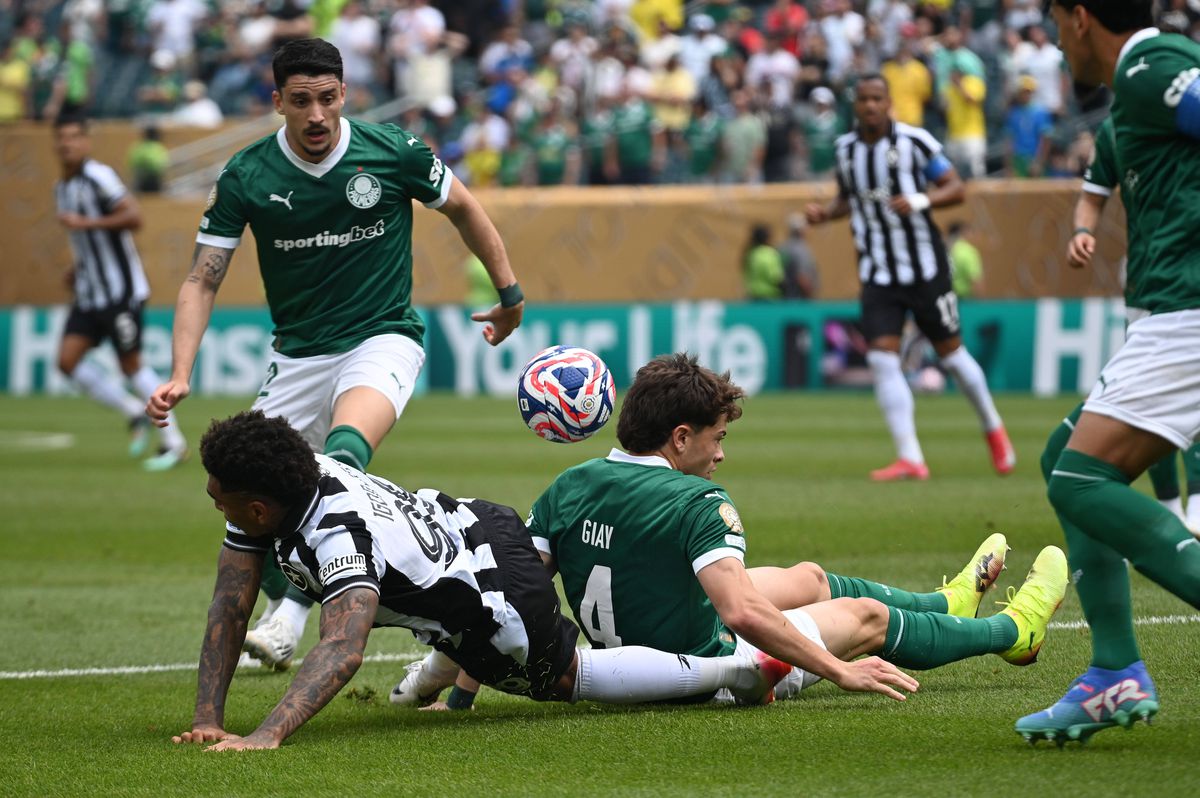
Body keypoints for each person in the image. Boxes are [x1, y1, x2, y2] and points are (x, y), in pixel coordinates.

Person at [147, 38, 525, 673]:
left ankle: (291, 618)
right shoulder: (246, 175)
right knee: (242, 492)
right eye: (301, 101)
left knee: (343, 455)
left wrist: (509, 293)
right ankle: (314, 596)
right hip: (297, 357)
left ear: (344, 94)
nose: (316, 115)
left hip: (383, 336)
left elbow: (463, 206)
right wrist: (181, 371)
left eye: (327, 99)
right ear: (278, 103)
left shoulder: (393, 151)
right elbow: (201, 279)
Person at [394, 354, 1065, 711]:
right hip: (702, 671)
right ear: (680, 437)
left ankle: (945, 604)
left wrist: (461, 697)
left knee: (805, 578)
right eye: (715, 439)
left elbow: (514, 605)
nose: (721, 454)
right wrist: (839, 672)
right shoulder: (699, 501)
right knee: (859, 617)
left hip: (625, 647)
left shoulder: (567, 486)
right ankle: (1013, 634)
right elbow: (739, 612)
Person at [173, 411, 793, 751]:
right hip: (476, 525)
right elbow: (231, 602)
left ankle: (732, 670)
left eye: (216, 496)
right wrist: (208, 716)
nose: (211, 502)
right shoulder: (292, 474)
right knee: (441, 619)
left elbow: (343, 647)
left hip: (495, 597)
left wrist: (266, 735)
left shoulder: (336, 536)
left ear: (257, 509)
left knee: (564, 681)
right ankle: (430, 682)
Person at [1017, 0, 1200, 745]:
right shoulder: (1135, 93)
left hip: (1188, 312)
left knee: (1081, 479)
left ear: (1080, 16)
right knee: (1065, 460)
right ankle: (1113, 668)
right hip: (1167, 312)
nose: (1058, 43)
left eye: (1056, 23)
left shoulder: (1153, 68)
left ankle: (1115, 668)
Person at [805, 76, 1015, 481]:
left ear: (888, 103)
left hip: (925, 269)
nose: (869, 106)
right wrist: (825, 214)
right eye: (863, 99)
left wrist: (920, 199)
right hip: (877, 272)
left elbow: (956, 187)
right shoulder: (845, 150)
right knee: (882, 358)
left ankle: (993, 428)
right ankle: (911, 458)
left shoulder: (915, 142)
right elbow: (849, 200)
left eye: (877, 99)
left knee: (952, 355)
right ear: (855, 105)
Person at [1070, 116, 1200, 535]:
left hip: (1191, 286)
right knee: (1146, 403)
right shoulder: (1115, 129)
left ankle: (1197, 504)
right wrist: (1082, 230)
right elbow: (1092, 195)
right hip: (1146, 285)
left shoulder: (1187, 116)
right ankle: (1169, 510)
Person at [52, 111, 188, 471]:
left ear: (85, 141)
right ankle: (133, 411)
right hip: (90, 292)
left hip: (120, 291)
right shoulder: (62, 187)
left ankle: (174, 442)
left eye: (73, 137)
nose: (67, 144)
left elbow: (133, 217)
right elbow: (88, 242)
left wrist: (86, 222)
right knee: (67, 362)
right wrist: (76, 267)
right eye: (61, 138)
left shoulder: (99, 176)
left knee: (131, 365)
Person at [779, 213, 820, 299]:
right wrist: (809, 292)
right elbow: (801, 276)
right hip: (799, 297)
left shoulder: (783, 247)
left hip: (785, 297)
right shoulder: (800, 249)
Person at [742, 224, 784, 301]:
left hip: (752, 297)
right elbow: (776, 278)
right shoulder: (770, 254)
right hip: (770, 298)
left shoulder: (750, 253)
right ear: (767, 238)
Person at [946, 221, 983, 298]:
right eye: (972, 232)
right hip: (965, 300)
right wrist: (981, 304)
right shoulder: (968, 252)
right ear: (964, 232)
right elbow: (976, 279)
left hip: (946, 300)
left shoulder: (946, 250)